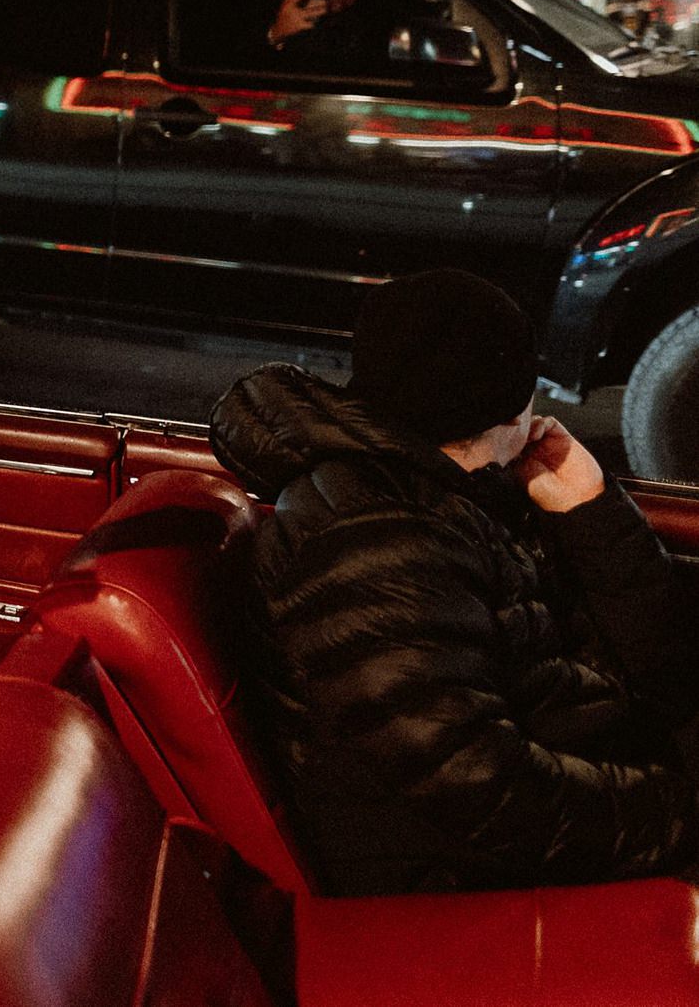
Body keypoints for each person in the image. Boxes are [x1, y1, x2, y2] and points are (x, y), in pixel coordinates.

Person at [211, 269, 699, 896]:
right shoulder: (373, 541)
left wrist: (589, 510)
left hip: (573, 780)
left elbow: (659, 658)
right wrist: (681, 810)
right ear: (502, 399)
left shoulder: (459, 489)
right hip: (451, 875)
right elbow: (480, 788)